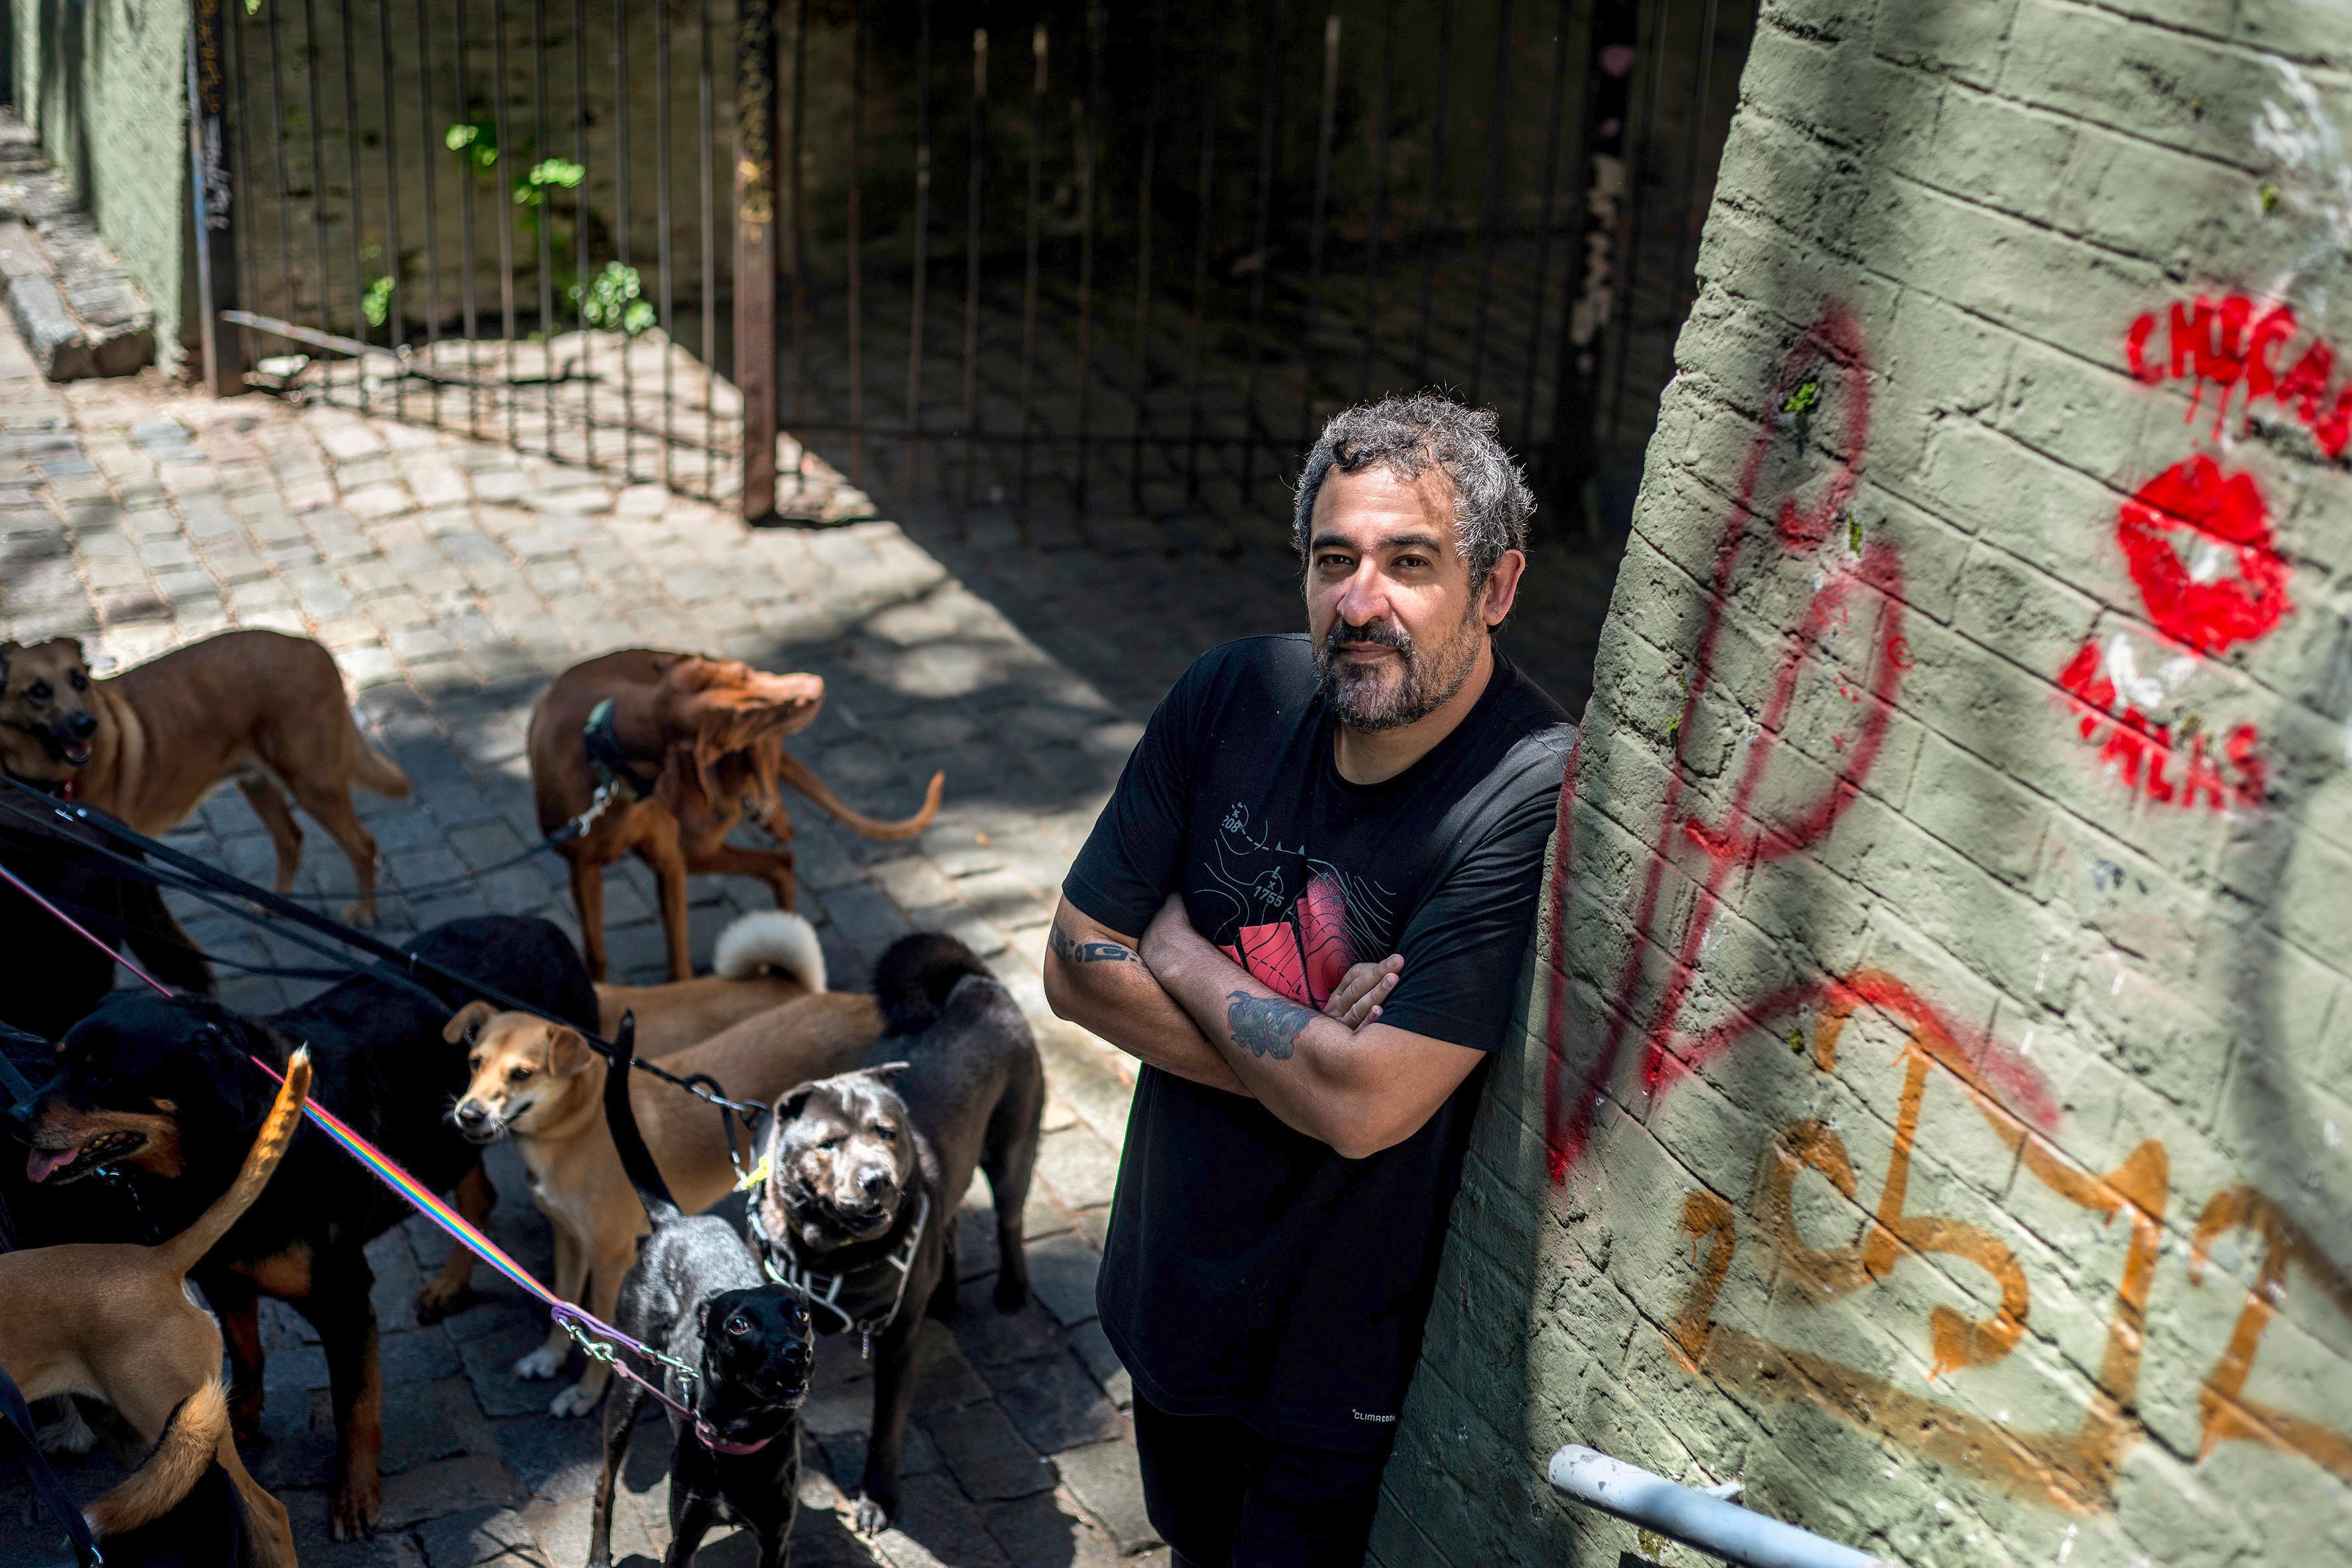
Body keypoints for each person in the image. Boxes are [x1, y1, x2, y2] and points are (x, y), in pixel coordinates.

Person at [1043, 392, 1576, 1567]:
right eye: (1335, 559)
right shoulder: (1232, 696)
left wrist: (1179, 951)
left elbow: (1369, 1102)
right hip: (1172, 1285)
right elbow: (1078, 966)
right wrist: (1305, 1056)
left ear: (1494, 588)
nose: (1359, 600)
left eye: (1410, 563)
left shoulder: (1527, 793)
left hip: (1334, 1365)